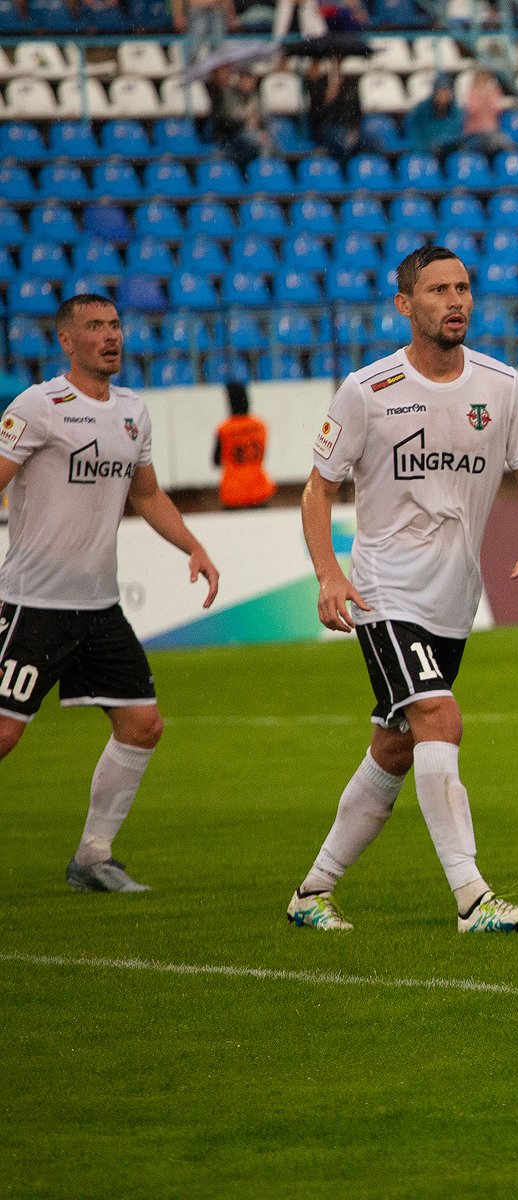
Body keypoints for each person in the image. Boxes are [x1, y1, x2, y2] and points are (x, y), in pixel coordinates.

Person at [288, 246, 518, 933]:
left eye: (463, 286)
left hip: (452, 598)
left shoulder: (501, 385)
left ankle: (311, 892)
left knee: (396, 745)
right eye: (438, 289)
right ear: (406, 305)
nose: (456, 300)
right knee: (439, 717)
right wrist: (329, 573)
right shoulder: (367, 390)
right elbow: (318, 489)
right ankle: (473, 898)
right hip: (385, 590)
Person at [0, 295, 220, 893]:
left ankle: (93, 857)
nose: (110, 336)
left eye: (116, 325)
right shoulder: (38, 406)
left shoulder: (132, 411)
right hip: (33, 604)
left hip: (99, 608)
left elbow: (146, 495)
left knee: (142, 725)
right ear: (66, 342)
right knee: (4, 736)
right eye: (94, 327)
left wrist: (192, 546)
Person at [212, 381, 274, 509]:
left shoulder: (224, 429)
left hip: (233, 494)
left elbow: (216, 461)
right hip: (259, 490)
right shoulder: (261, 425)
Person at [307, 56, 381, 163]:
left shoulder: (349, 87)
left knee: (372, 142)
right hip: (326, 131)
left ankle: (373, 172)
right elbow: (315, 117)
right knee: (339, 139)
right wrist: (326, 101)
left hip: (348, 129)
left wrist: (354, 130)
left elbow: (355, 113)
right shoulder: (317, 86)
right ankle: (344, 173)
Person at [208, 66, 273, 167]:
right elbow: (227, 123)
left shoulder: (255, 97)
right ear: (240, 80)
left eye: (250, 79)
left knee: (270, 139)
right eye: (245, 79)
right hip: (232, 137)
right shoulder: (228, 96)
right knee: (262, 142)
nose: (248, 83)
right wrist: (246, 123)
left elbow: (263, 118)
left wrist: (256, 123)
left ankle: (271, 172)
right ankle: (263, 169)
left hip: (252, 134)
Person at [406, 76, 463, 157]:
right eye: (440, 92)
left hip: (446, 153)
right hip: (423, 151)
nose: (443, 95)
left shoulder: (456, 112)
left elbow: (455, 134)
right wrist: (423, 146)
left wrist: (441, 144)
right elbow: (411, 129)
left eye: (446, 91)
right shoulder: (422, 108)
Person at [460, 69, 510, 157]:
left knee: (505, 143)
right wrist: (482, 95)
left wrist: (490, 93)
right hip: (474, 133)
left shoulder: (493, 91)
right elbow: (472, 110)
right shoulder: (471, 91)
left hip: (492, 132)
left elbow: (497, 109)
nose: (483, 80)